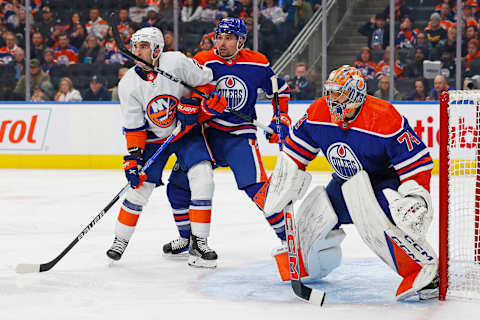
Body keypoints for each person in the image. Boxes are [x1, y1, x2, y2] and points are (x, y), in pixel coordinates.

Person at [264, 65, 438, 301]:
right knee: (315, 214)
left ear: (356, 94)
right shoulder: (318, 112)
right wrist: (285, 182)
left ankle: (425, 271)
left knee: (375, 220)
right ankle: (305, 264)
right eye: (331, 93)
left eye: (340, 94)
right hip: (344, 181)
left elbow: (416, 163)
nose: (332, 100)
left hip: (383, 181)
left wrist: (415, 197)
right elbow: (295, 153)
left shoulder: (384, 116)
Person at [163, 17, 291, 257]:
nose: (222, 43)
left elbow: (280, 90)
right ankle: (187, 237)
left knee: (257, 188)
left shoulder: (258, 63)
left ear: (241, 41)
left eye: (229, 38)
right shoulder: (202, 60)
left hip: (239, 136)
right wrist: (202, 106)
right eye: (219, 37)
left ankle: (288, 238)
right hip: (205, 135)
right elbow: (188, 98)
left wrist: (280, 118)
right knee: (177, 188)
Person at [106, 26, 228, 269]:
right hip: (153, 138)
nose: (137, 51)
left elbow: (207, 80)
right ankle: (120, 241)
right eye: (135, 46)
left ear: (158, 50)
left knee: (203, 177)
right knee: (139, 188)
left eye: (143, 46)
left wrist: (193, 104)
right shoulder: (128, 84)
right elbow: (134, 127)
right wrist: (133, 158)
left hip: (185, 133)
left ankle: (199, 242)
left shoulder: (176, 62)